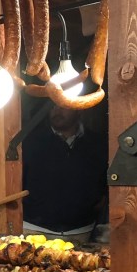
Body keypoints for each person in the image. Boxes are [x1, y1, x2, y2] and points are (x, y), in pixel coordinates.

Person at [22, 103, 108, 242]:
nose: (57, 110)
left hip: (81, 230)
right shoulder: (30, 141)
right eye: (52, 106)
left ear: (78, 109)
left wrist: (96, 201)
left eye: (63, 106)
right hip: (34, 230)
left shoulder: (97, 143)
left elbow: (105, 180)